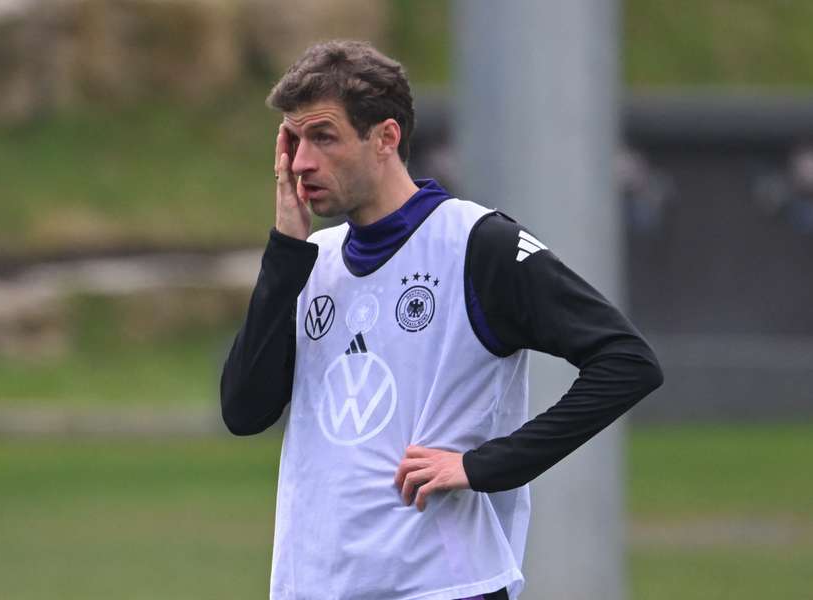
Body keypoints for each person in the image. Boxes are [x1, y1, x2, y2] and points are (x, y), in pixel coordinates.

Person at [220, 40, 663, 600]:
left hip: (441, 585)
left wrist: (487, 465)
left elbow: (627, 362)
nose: (301, 162)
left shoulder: (476, 244)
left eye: (323, 136)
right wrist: (286, 250)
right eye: (294, 139)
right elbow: (243, 411)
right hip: (312, 586)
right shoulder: (310, 261)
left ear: (385, 138)